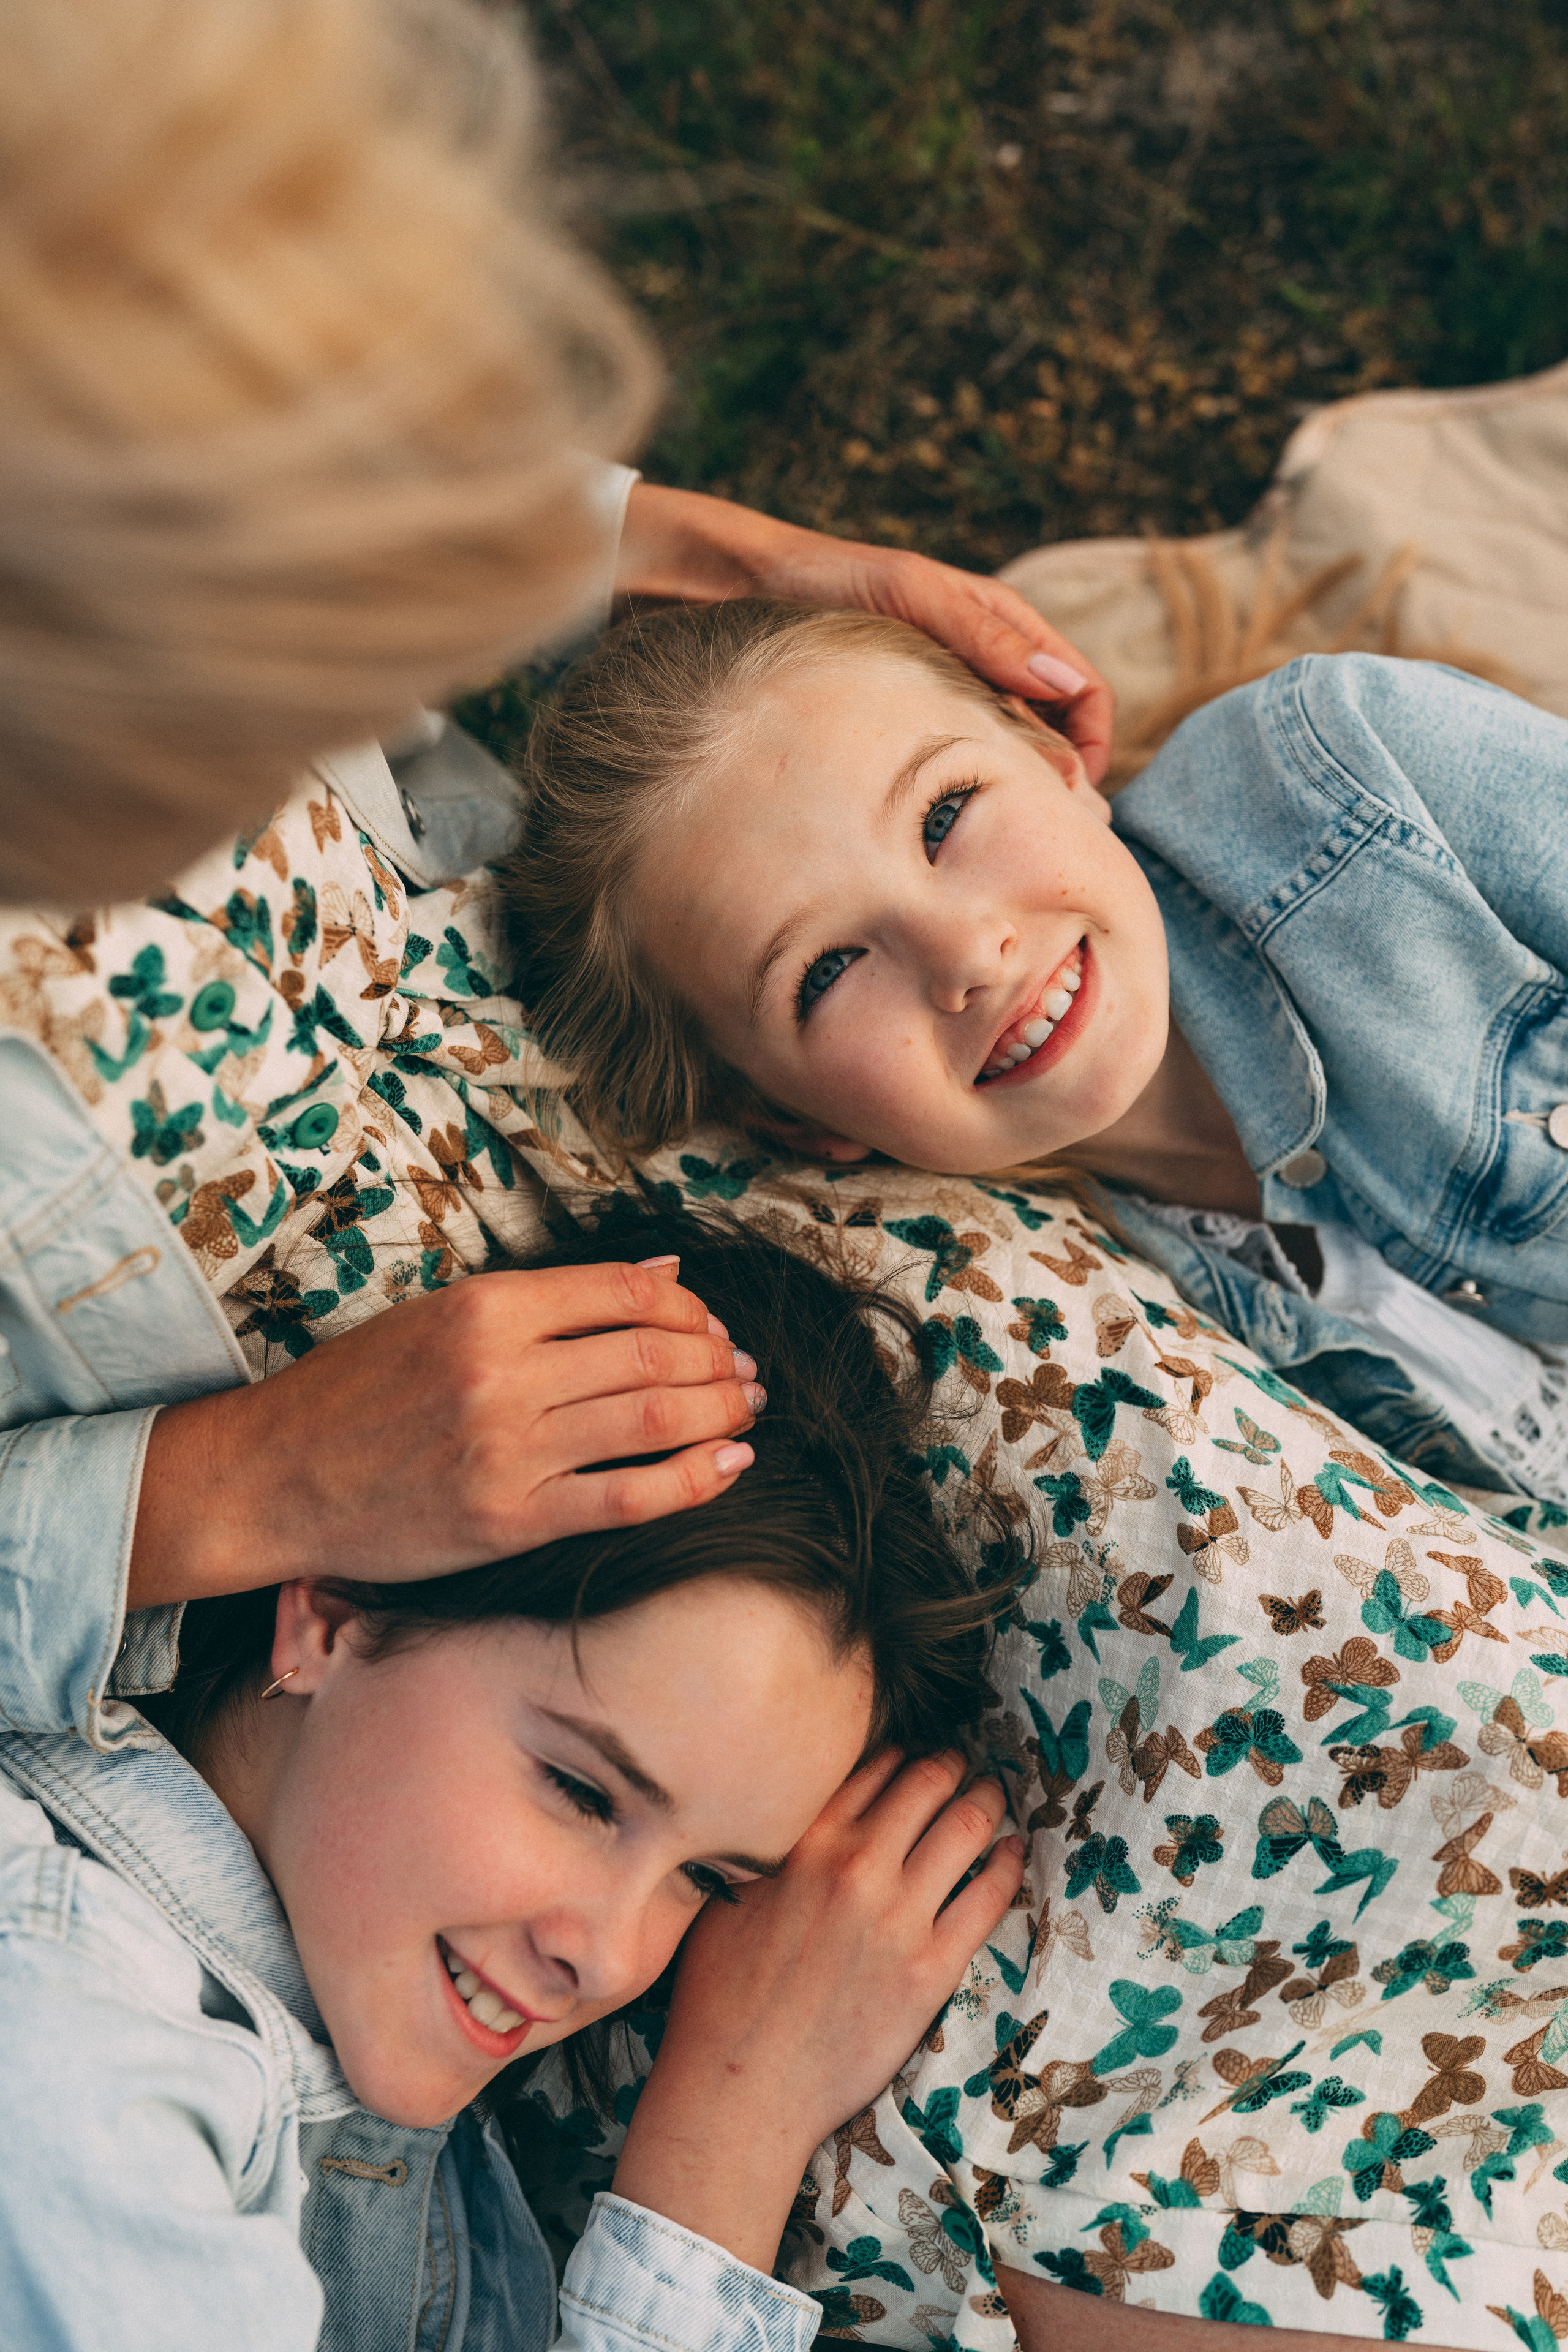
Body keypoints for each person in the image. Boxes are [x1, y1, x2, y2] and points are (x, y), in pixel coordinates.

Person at [0, 1206, 1027, 2350]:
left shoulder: (342, 2061)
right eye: (584, 1793)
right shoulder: (66, 2036)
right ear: (334, 1607)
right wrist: (730, 2139)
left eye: (710, 1880)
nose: (612, 1957)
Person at [503, 597, 1568, 1505]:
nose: (968, 952)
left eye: (946, 812)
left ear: (1055, 757)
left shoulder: (1347, 774)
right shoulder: (1078, 1351)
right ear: (796, 1120)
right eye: (825, 969)